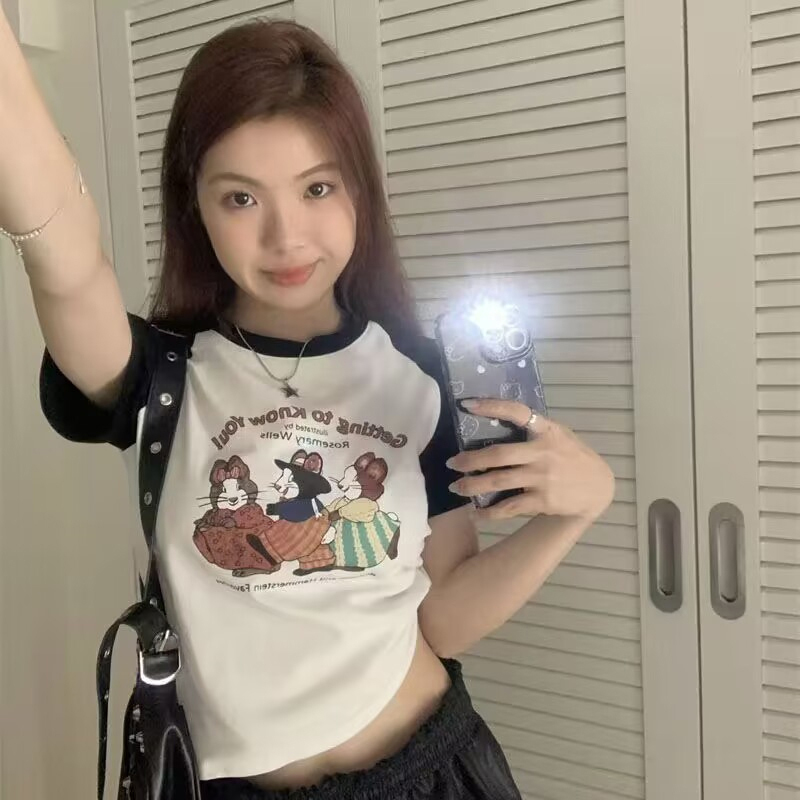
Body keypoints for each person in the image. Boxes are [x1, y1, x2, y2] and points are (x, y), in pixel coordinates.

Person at [0, 14, 615, 800]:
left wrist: (573, 515)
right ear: (195, 207)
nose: (286, 236)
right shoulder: (158, 374)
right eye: (240, 198)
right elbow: (64, 258)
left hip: (428, 770)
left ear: (359, 189)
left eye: (318, 188)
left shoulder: (418, 374)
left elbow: (443, 619)